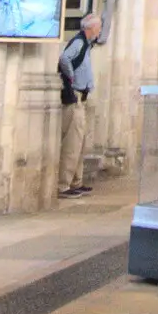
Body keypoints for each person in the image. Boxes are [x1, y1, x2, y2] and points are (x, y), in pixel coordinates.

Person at [57, 13, 101, 198]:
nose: (99, 32)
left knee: (80, 143)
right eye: (98, 28)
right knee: (72, 144)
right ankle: (63, 185)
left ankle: (77, 181)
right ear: (90, 28)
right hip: (74, 98)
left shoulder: (87, 45)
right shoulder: (79, 42)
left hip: (82, 98)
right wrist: (71, 76)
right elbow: (64, 58)